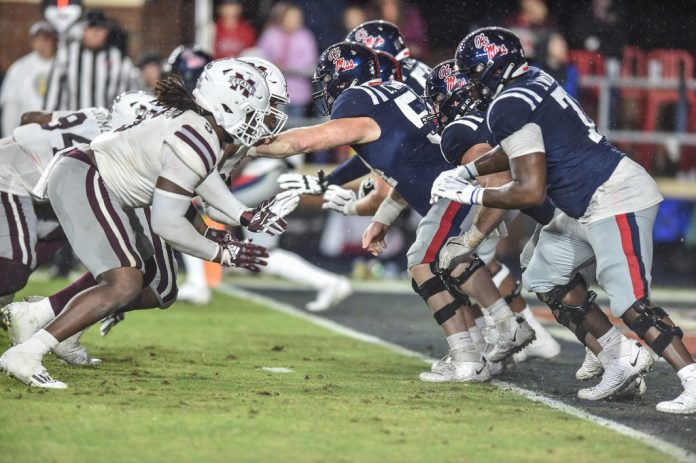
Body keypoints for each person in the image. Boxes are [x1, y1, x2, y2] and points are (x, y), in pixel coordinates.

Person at [432, 27, 695, 413]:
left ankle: (691, 378)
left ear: (492, 68)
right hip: (586, 204)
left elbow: (530, 191)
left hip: (614, 197)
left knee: (632, 304)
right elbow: (517, 148)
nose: (471, 84)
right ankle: (616, 359)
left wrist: (472, 193)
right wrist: (469, 172)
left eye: (472, 74)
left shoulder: (507, 104)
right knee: (544, 276)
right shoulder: (534, 80)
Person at [0, 59, 299, 389]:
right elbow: (167, 223)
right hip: (87, 178)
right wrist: (222, 254)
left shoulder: (199, 129)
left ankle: (38, 328)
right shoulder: (197, 137)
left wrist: (246, 216)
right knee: (126, 282)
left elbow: (205, 186)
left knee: (134, 280)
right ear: (228, 104)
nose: (261, 121)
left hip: (88, 177)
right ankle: (28, 352)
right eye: (255, 111)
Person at [260, 42, 536, 383]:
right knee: (444, 265)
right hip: (456, 186)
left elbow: (305, 141)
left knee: (424, 262)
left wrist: (254, 141)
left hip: (452, 190)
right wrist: (381, 219)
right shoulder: (395, 92)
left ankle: (486, 343)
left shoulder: (358, 102)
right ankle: (480, 344)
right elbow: (406, 169)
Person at [43, 9, 138, 111]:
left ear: (107, 31)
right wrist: (49, 119)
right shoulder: (66, 56)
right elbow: (53, 93)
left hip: (108, 124)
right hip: (73, 123)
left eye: (100, 28)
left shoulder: (119, 59)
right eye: (91, 27)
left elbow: (130, 93)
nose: (95, 33)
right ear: (84, 29)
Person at [257, 3, 318, 118]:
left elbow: (310, 61)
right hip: (274, 91)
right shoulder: (271, 34)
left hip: (298, 91)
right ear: (282, 18)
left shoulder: (305, 36)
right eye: (290, 17)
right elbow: (260, 55)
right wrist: (273, 64)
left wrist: (287, 67)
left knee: (296, 126)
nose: (294, 21)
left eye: (297, 18)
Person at [0, 22, 57, 137]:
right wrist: (9, 137)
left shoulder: (64, 65)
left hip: (57, 132)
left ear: (54, 41)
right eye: (39, 39)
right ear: (32, 42)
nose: (43, 43)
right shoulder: (19, 68)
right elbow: (11, 107)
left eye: (47, 39)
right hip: (27, 133)